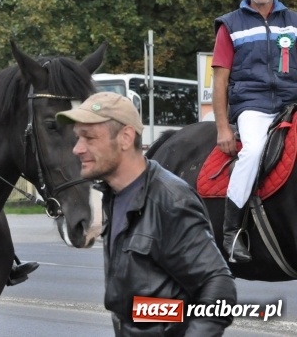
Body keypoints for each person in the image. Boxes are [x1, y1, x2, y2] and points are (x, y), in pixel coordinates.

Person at [57, 92, 236, 336]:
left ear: (125, 137)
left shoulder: (170, 201)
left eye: (89, 138)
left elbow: (218, 286)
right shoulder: (114, 195)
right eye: (78, 138)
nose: (77, 149)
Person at [212, 0, 296, 263]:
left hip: (292, 102)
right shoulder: (229, 26)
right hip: (254, 105)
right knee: (252, 151)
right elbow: (220, 81)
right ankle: (232, 232)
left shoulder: (295, 23)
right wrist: (223, 126)